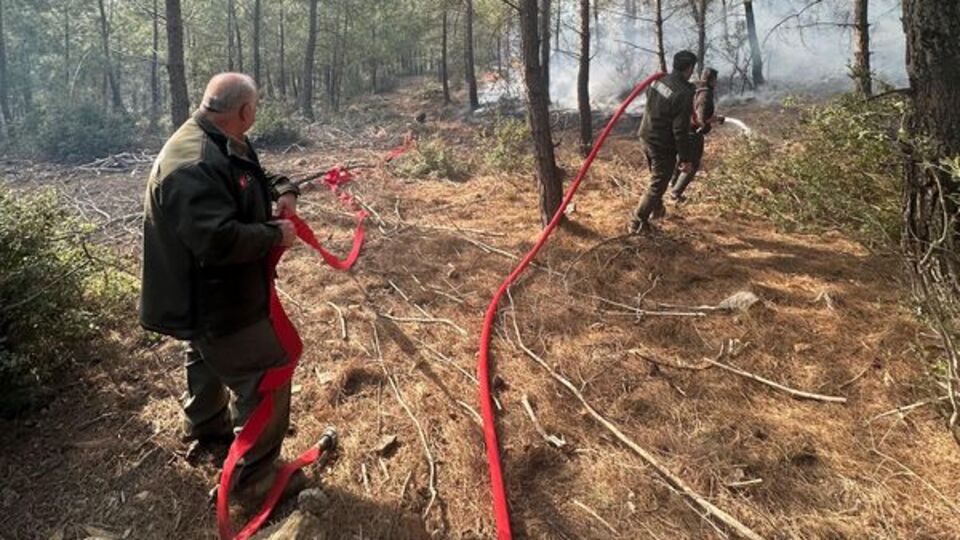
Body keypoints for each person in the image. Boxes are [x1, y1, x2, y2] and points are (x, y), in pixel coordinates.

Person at [140, 73, 306, 504]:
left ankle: (205, 426)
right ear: (245, 111)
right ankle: (255, 480)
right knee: (267, 372)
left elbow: (248, 173)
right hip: (214, 297)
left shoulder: (217, 134)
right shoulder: (193, 162)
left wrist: (283, 189)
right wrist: (275, 237)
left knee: (205, 353)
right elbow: (217, 241)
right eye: (257, 108)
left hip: (204, 295)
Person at [629, 50, 698, 233]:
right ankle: (637, 222)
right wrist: (685, 158)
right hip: (661, 144)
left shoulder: (659, 80)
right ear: (690, 68)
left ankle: (657, 210)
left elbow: (651, 98)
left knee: (657, 176)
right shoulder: (683, 94)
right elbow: (680, 130)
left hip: (646, 135)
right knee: (658, 183)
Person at [669, 67, 725, 202]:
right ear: (712, 80)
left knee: (682, 159)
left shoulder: (695, 90)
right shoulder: (705, 95)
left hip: (684, 130)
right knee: (692, 164)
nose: (716, 83)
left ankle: (672, 184)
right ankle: (675, 193)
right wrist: (717, 119)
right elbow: (700, 119)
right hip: (693, 134)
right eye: (715, 80)